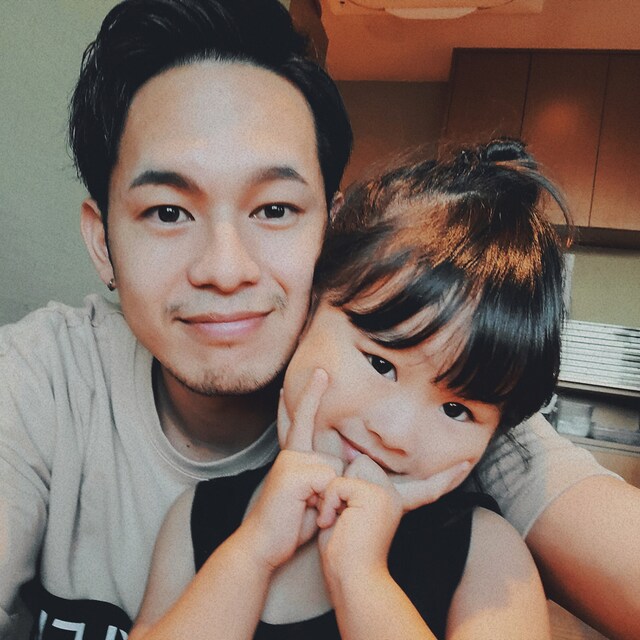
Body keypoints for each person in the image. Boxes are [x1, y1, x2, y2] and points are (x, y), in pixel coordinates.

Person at [0, 0, 638, 639]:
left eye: (275, 209)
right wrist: (254, 549)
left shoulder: (457, 420)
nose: (225, 269)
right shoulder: (42, 384)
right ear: (102, 241)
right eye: (168, 212)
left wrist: (359, 574)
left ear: (330, 236)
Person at [131, 138, 563, 640]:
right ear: (309, 309)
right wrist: (253, 551)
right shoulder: (200, 518)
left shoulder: (485, 554)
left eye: (456, 409)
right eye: (381, 363)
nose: (393, 433)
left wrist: (359, 577)